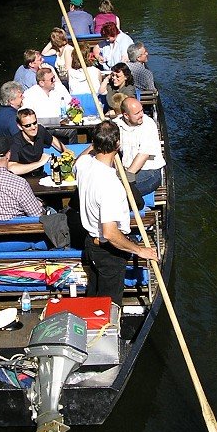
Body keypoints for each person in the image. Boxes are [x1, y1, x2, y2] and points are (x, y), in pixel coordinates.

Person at [75, 120, 157, 306]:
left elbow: (79, 159)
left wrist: (95, 144)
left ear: (94, 144)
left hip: (91, 244)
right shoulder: (111, 185)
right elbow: (110, 233)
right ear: (117, 145)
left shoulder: (84, 164)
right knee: (109, 305)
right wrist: (139, 250)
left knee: (94, 298)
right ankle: (107, 333)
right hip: (108, 251)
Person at [115, 97, 165, 196]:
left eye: (141, 110)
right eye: (137, 113)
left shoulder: (148, 125)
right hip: (126, 169)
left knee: (118, 191)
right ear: (126, 115)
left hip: (150, 172)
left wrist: (126, 177)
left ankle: (136, 203)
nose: (141, 115)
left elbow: (143, 155)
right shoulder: (117, 124)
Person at [8, 108, 67, 177]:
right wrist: (40, 162)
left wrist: (66, 151)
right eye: (28, 125)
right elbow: (12, 168)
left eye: (34, 123)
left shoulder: (40, 130)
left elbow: (52, 140)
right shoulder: (15, 142)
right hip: (24, 178)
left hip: (40, 174)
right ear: (20, 127)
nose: (33, 127)